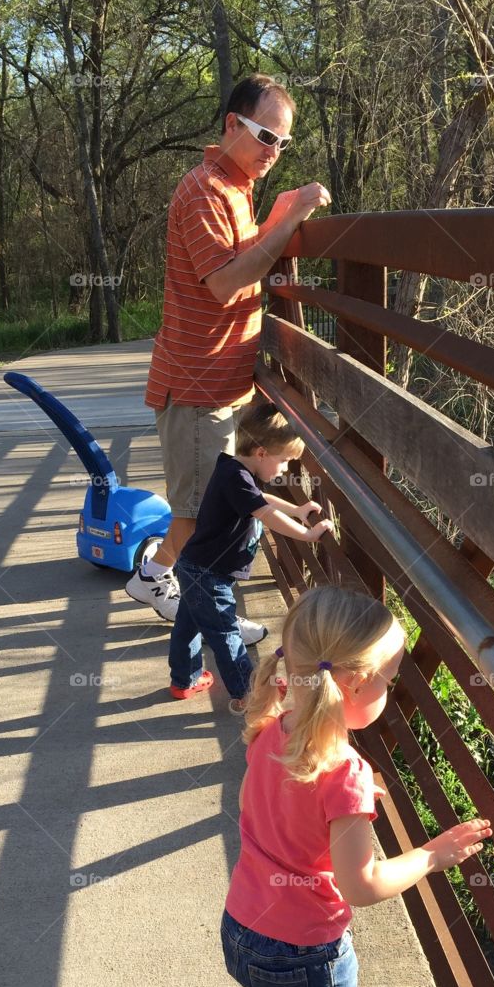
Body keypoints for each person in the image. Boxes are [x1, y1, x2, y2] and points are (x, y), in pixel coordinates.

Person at [220, 585, 492, 987]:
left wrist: (344, 808)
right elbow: (362, 886)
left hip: (244, 928)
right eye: (389, 680)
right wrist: (430, 855)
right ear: (354, 687)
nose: (391, 692)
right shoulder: (344, 772)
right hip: (307, 951)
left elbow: (270, 807)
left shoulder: (274, 727)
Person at [126, 71, 331, 640]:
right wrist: (288, 219)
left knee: (204, 509)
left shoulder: (235, 189)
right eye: (265, 136)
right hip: (196, 389)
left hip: (220, 382)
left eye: (282, 143)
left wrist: (278, 212)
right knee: (200, 518)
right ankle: (202, 608)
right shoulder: (203, 190)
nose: (274, 152)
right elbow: (224, 283)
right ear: (231, 126)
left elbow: (243, 262)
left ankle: (155, 573)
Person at [168, 400, 331, 712]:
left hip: (196, 566)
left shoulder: (235, 469)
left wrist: (297, 510)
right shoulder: (237, 478)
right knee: (225, 633)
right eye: (283, 461)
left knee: (188, 625)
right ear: (261, 453)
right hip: (209, 575)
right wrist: (307, 534)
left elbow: (261, 498)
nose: (284, 469)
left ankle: (184, 680)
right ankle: (252, 695)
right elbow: (265, 513)